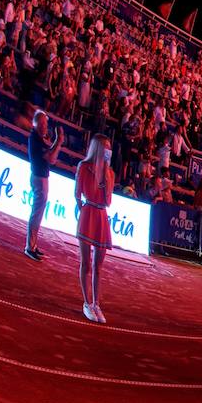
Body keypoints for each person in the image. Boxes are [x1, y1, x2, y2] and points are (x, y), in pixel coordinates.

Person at [74, 133, 114, 323]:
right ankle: (87, 301)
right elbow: (78, 192)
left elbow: (108, 201)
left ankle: (96, 303)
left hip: (101, 216)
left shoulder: (110, 173)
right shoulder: (84, 167)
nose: (108, 151)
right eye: (105, 147)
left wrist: (104, 176)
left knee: (98, 265)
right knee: (86, 262)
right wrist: (82, 209)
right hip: (89, 213)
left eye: (109, 147)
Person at [25, 107, 63, 261]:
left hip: (40, 177)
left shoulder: (37, 138)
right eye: (43, 125)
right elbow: (51, 158)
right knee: (37, 213)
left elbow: (50, 155)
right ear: (37, 125)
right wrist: (58, 142)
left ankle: (32, 245)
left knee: (38, 213)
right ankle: (30, 246)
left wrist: (56, 142)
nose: (45, 127)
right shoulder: (36, 139)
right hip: (39, 178)